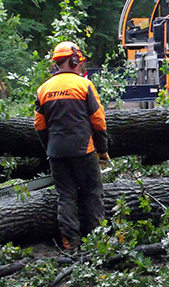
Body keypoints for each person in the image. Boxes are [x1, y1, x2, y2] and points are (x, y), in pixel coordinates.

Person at [34, 41, 109, 250]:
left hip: (57, 153)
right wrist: (102, 150)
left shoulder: (43, 89)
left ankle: (71, 243)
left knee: (65, 197)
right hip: (84, 150)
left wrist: (49, 146)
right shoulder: (84, 86)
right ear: (74, 60)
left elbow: (39, 125)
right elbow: (98, 120)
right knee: (92, 193)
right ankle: (98, 240)